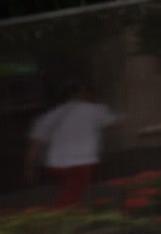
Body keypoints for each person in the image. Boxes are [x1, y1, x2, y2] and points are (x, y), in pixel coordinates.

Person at [24, 80, 119, 208]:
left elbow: (35, 145)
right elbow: (113, 124)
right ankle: (62, 220)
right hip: (80, 163)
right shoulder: (94, 109)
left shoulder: (49, 116)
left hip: (54, 165)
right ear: (82, 93)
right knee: (70, 200)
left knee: (70, 193)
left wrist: (29, 169)